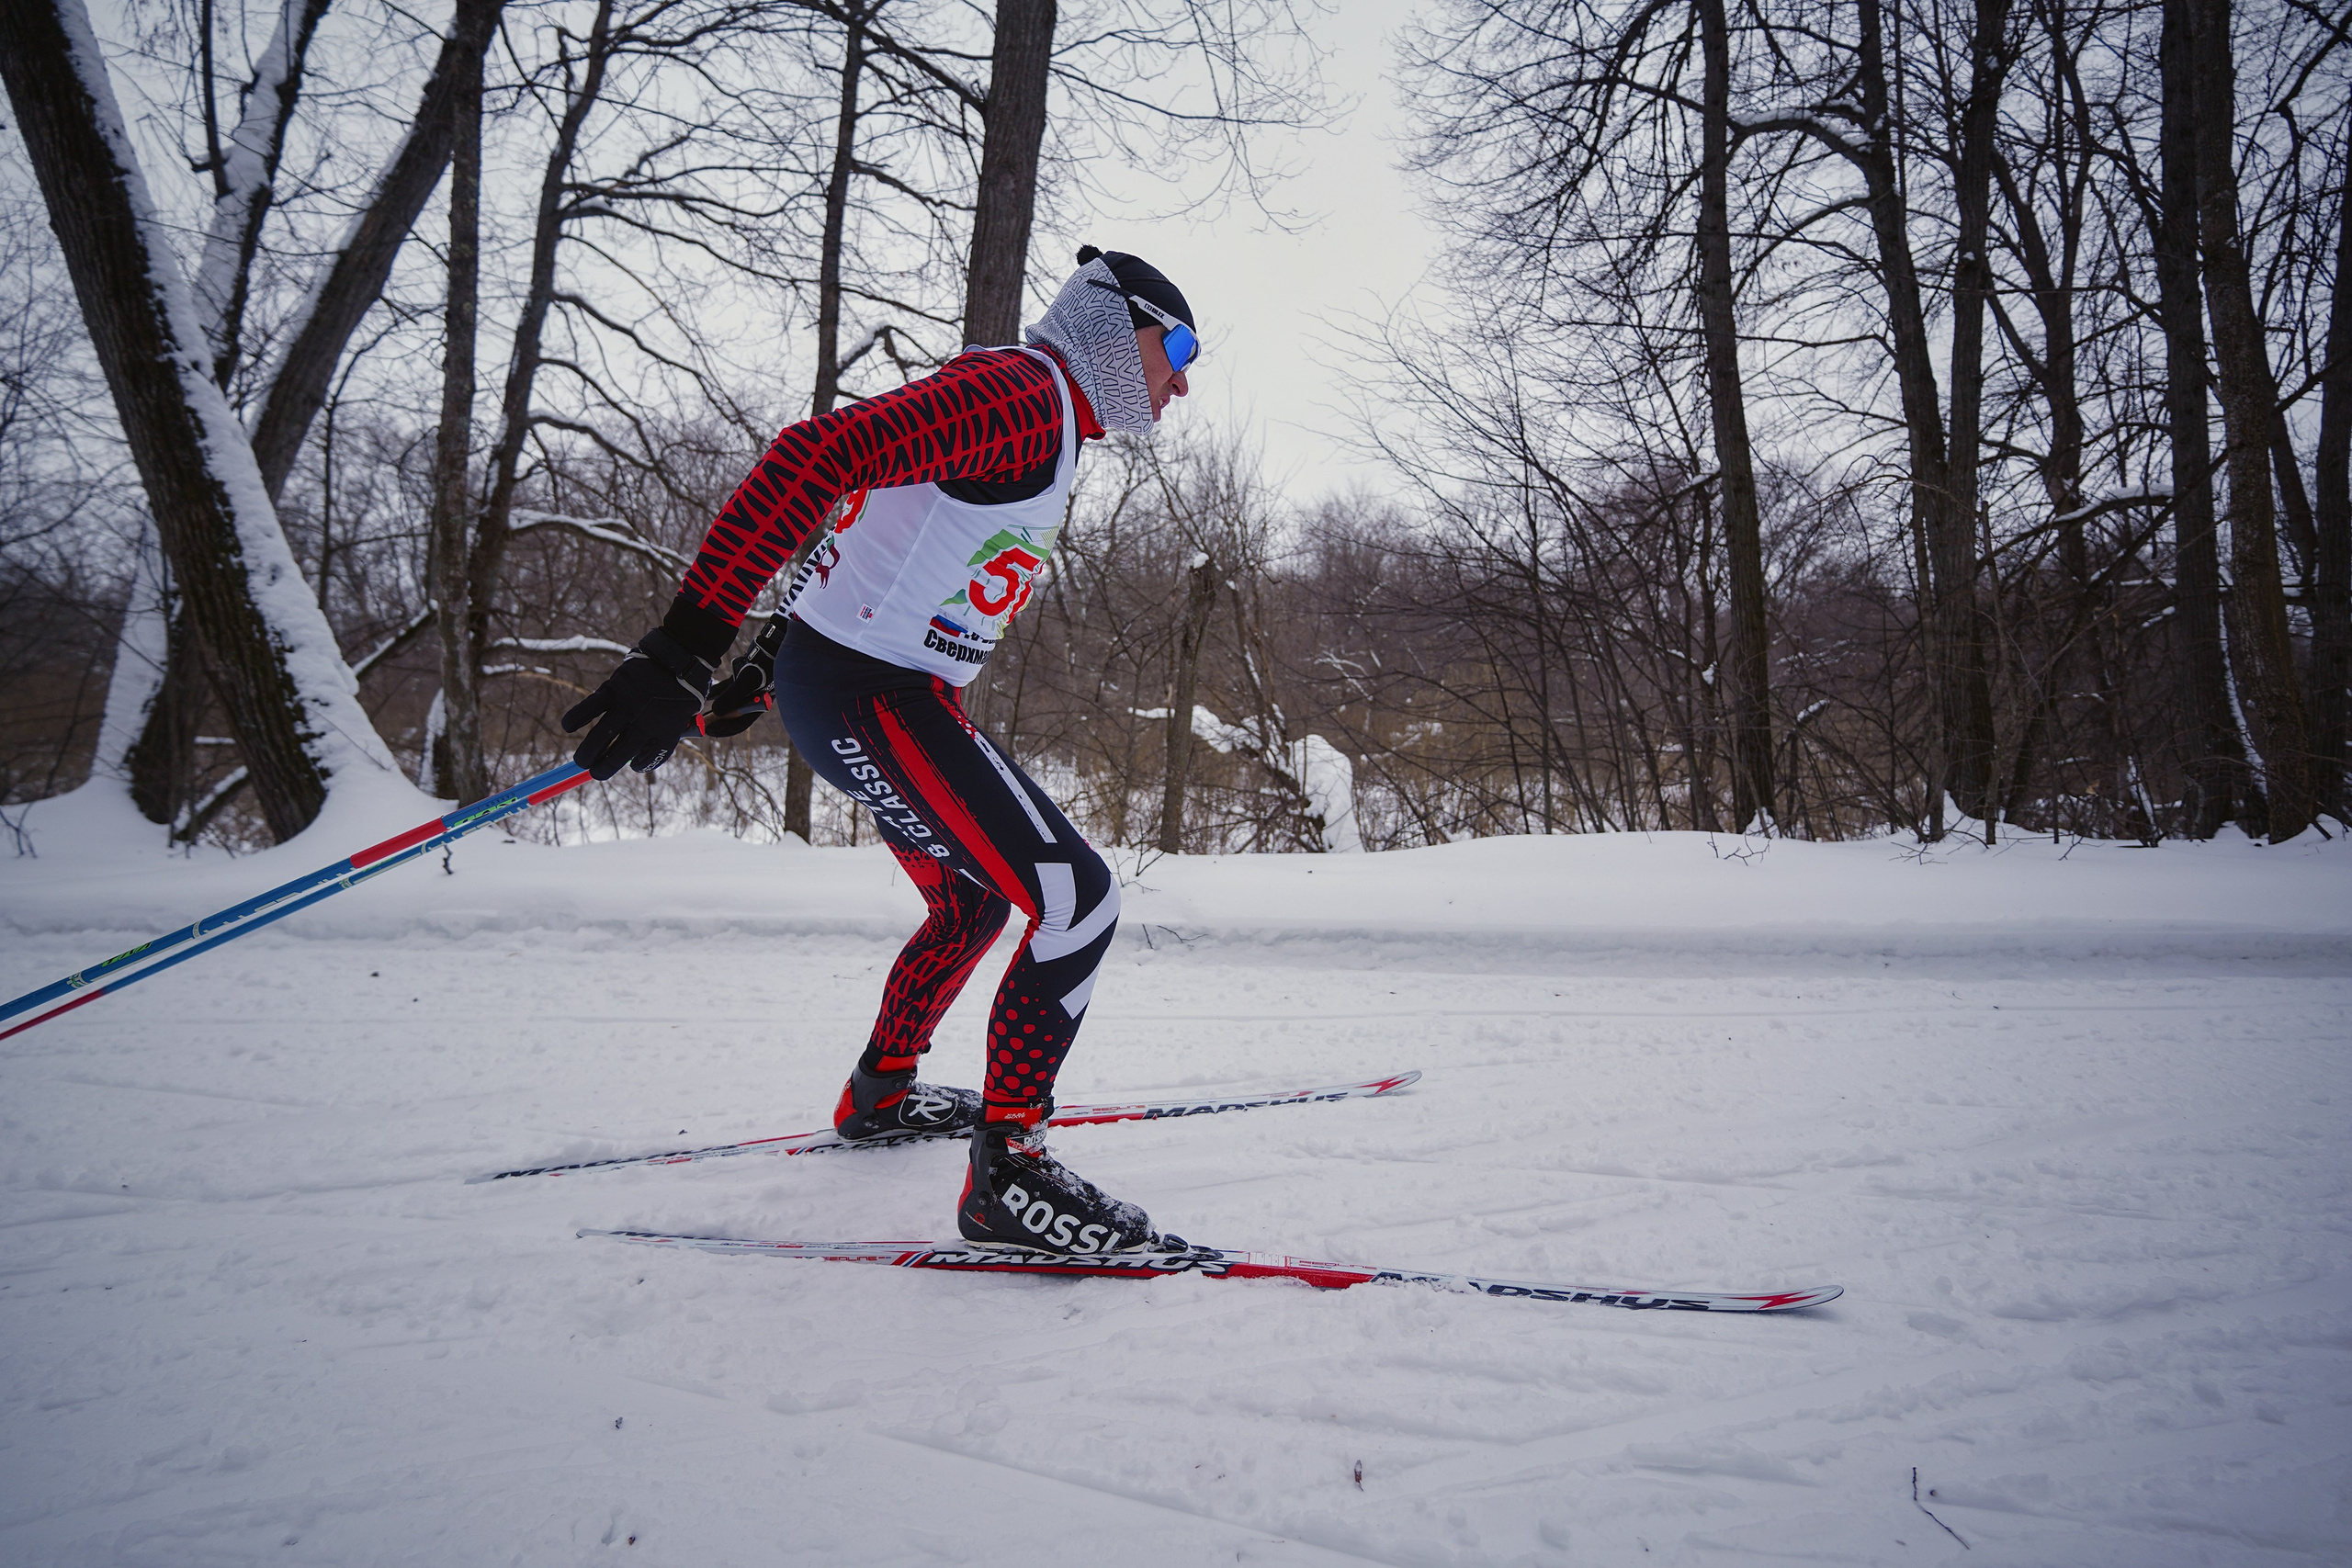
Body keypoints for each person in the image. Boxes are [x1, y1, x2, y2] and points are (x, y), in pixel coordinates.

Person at [563, 247, 1198, 1255]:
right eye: (1180, 346)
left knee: (976, 901)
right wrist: (690, 642)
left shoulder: (1042, 415)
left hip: (852, 687)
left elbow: (884, 524)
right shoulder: (1024, 395)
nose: (1184, 381)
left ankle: (882, 1094)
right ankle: (1010, 1175)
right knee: (1076, 903)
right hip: (877, 698)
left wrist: (775, 648)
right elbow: (815, 455)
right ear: (1118, 330)